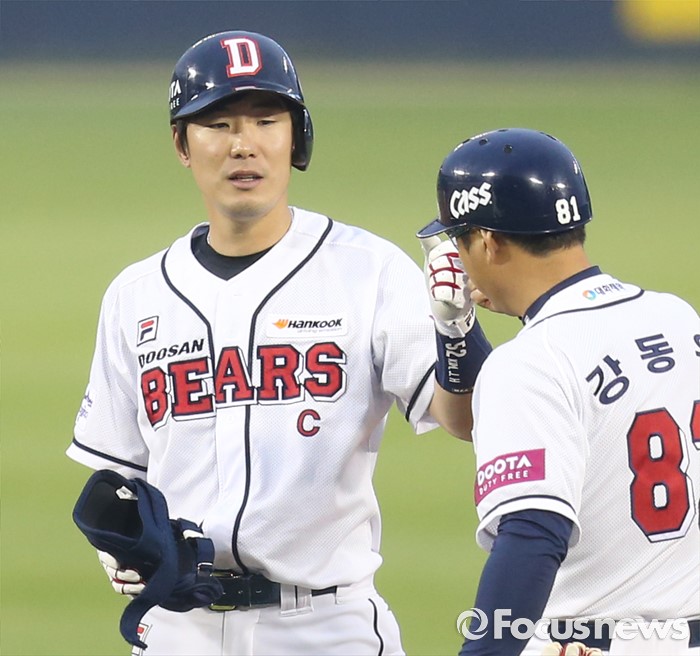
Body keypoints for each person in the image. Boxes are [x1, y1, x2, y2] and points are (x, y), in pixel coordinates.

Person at [67, 31, 490, 656]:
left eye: (267, 120)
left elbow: (467, 419)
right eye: (218, 124)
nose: (244, 144)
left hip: (327, 626)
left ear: (297, 138)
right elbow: (118, 472)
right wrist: (117, 544)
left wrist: (458, 332)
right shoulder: (136, 294)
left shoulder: (368, 269)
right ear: (182, 144)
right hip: (179, 628)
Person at [417, 128, 700, 656]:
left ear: (488, 242)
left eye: (458, 240)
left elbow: (532, 535)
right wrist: (458, 329)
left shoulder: (529, 362)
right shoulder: (679, 318)